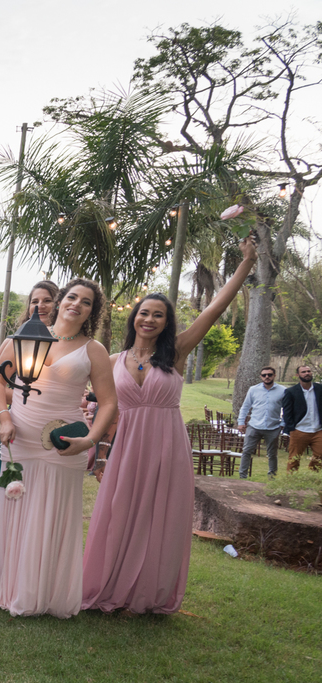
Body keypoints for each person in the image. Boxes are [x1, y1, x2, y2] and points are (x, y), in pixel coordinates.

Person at [82, 236, 257, 614]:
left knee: (160, 518)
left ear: (167, 322)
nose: (148, 319)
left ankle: (149, 592)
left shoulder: (177, 351)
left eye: (157, 314)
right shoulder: (112, 359)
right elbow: (81, 389)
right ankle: (108, 584)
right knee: (119, 512)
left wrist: (246, 264)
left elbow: (215, 307)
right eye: (143, 313)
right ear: (134, 318)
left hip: (166, 444)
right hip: (127, 445)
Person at [0, 278, 117, 618]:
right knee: (18, 511)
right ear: (59, 301)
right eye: (72, 297)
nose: (77, 304)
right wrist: (4, 419)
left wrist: (89, 440)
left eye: (86, 302)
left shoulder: (94, 350)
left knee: (52, 514)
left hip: (64, 444)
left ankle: (46, 594)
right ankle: (9, 587)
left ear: (91, 311)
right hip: (21, 437)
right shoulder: (24, 338)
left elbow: (110, 402)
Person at [0, 281, 60, 570]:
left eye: (48, 299)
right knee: (12, 491)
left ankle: (34, 562)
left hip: (53, 430)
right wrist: (38, 397)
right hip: (20, 426)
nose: (41, 305)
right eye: (35, 300)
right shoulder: (16, 340)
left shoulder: (67, 341)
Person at [237, 366, 285, 479]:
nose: (267, 377)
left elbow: (287, 409)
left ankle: (272, 477)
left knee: (272, 454)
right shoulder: (253, 389)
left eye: (269, 375)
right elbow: (245, 407)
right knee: (247, 451)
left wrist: (283, 423)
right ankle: (242, 476)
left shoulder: (283, 390)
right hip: (254, 426)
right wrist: (241, 422)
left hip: (273, 427)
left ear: (274, 376)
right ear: (261, 376)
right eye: (264, 375)